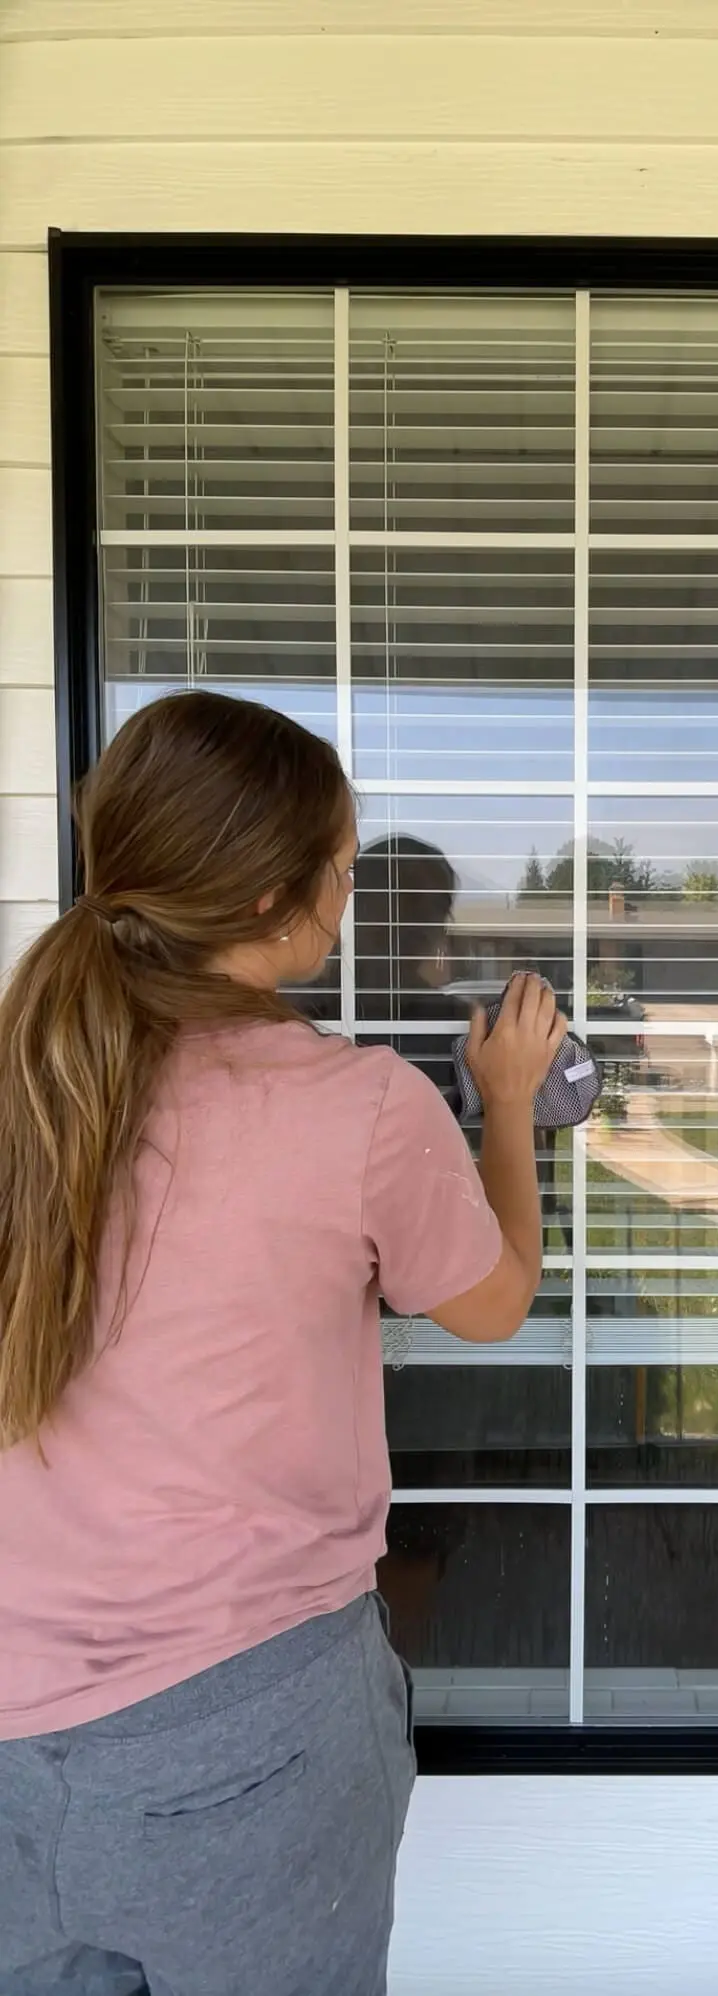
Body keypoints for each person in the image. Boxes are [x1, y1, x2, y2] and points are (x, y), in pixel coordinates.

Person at [0, 690, 565, 1996]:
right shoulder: (361, 1104)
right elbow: (491, 1302)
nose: (351, 887)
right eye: (343, 862)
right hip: (243, 1736)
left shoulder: (35, 1078)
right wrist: (510, 1107)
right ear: (274, 901)